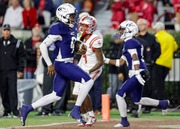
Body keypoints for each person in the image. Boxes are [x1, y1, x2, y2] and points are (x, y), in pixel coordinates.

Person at [20, 3, 94, 126]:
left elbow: (69, 44)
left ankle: (27, 108)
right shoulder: (58, 27)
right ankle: (76, 110)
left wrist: (77, 46)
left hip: (66, 63)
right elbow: (43, 45)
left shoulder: (71, 27)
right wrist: (49, 64)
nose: (73, 18)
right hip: (62, 64)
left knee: (56, 95)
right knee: (88, 81)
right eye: (71, 16)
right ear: (63, 16)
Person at [104, 20, 170, 127]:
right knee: (137, 100)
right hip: (139, 72)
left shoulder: (130, 42)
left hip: (137, 72)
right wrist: (105, 60)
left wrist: (137, 73)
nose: (121, 32)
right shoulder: (130, 43)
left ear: (130, 31)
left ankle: (124, 121)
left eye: (123, 30)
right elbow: (120, 62)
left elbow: (134, 57)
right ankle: (162, 104)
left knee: (119, 95)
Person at [72, 15, 104, 127]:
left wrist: (89, 71)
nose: (81, 28)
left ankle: (92, 116)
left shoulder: (96, 39)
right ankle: (85, 117)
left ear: (91, 27)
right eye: (81, 25)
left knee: (83, 91)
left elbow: (101, 61)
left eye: (84, 26)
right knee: (75, 93)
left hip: (94, 68)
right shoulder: (81, 36)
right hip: (83, 65)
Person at [0, 24, 25, 118]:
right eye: (4, 30)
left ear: (10, 31)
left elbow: (21, 57)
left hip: (12, 71)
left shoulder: (17, 43)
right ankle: (6, 111)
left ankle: (15, 111)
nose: (6, 32)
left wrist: (20, 70)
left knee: (12, 91)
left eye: (8, 30)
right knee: (3, 91)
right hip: (1, 71)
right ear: (2, 31)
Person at [136, 18, 161, 113]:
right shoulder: (135, 38)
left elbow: (158, 50)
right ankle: (135, 106)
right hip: (136, 66)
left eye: (142, 24)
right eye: (139, 24)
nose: (141, 26)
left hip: (148, 66)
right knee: (136, 86)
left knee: (148, 86)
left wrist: (152, 60)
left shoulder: (152, 38)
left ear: (146, 25)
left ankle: (147, 107)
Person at [152, 21, 178, 100]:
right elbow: (175, 47)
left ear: (157, 29)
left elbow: (154, 49)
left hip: (158, 62)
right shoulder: (170, 37)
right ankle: (161, 101)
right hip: (167, 63)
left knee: (157, 84)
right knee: (161, 83)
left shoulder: (157, 36)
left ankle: (160, 102)